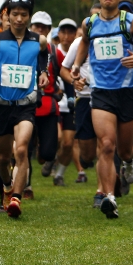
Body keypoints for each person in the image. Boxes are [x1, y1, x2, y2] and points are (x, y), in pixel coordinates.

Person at [71, 0, 133, 219]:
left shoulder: (129, 22)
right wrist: (77, 65)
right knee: (107, 145)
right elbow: (84, 43)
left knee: (125, 149)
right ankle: (109, 197)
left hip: (127, 92)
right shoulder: (89, 23)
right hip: (100, 92)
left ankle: (129, 162)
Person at [0, 0, 50, 218]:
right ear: (7, 15)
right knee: (3, 157)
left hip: (26, 104)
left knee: (22, 149)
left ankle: (16, 198)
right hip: (1, 105)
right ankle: (7, 188)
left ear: (29, 16)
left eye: (24, 15)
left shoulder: (39, 41)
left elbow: (43, 57)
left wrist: (43, 72)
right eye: (15, 14)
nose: (19, 19)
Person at [60, 4, 104, 207]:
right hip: (84, 98)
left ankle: (102, 191)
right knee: (87, 153)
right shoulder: (79, 43)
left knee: (106, 145)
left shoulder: (114, 40)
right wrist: (74, 81)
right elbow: (64, 69)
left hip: (106, 97)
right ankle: (91, 165)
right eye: (92, 18)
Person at [29, 10, 62, 198]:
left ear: (49, 30)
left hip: (48, 105)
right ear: (31, 27)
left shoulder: (55, 52)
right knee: (24, 149)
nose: (39, 30)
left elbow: (66, 71)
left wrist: (70, 90)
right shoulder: (20, 48)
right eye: (36, 26)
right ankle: (26, 186)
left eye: (43, 27)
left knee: (48, 153)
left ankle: (44, 152)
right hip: (25, 104)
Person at [53, 18, 80, 186]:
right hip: (54, 103)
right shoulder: (52, 52)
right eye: (63, 32)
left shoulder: (80, 52)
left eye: (70, 32)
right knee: (56, 138)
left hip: (71, 103)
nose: (66, 36)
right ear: (58, 33)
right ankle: (50, 159)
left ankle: (59, 174)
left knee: (69, 143)